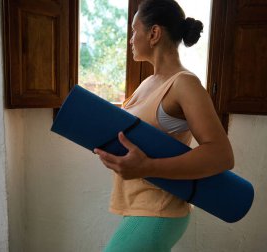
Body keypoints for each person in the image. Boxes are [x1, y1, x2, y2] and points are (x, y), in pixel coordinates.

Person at [94, 0, 234, 251]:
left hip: (158, 211)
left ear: (154, 33)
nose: (130, 38)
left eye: (134, 30)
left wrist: (147, 167)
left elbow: (221, 155)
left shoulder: (185, 84)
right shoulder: (149, 82)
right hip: (138, 207)